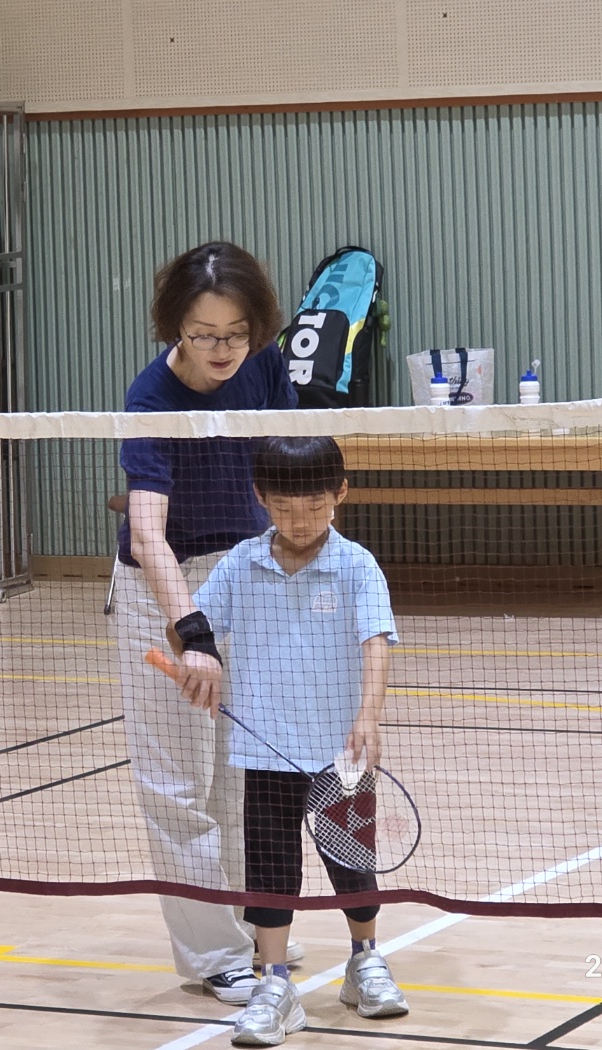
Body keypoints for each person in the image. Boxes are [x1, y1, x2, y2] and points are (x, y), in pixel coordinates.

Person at [113, 242, 299, 1004]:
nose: (222, 351)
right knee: (176, 783)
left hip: (247, 574)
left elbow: (286, 467)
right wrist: (191, 632)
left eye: (235, 334)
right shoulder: (151, 400)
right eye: (203, 335)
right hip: (165, 587)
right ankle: (214, 955)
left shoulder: (266, 365)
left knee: (240, 774)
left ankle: (257, 930)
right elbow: (146, 534)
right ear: (175, 329)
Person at [191, 436, 409, 1046]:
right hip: (265, 749)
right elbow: (194, 624)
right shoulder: (240, 564)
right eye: (285, 507)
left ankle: (364, 960)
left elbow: (376, 642)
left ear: (340, 494)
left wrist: (368, 716)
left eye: (314, 505)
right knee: (271, 869)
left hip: (342, 750)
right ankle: (275, 983)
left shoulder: (356, 565)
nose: (301, 520)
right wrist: (197, 653)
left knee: (353, 862)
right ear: (260, 498)